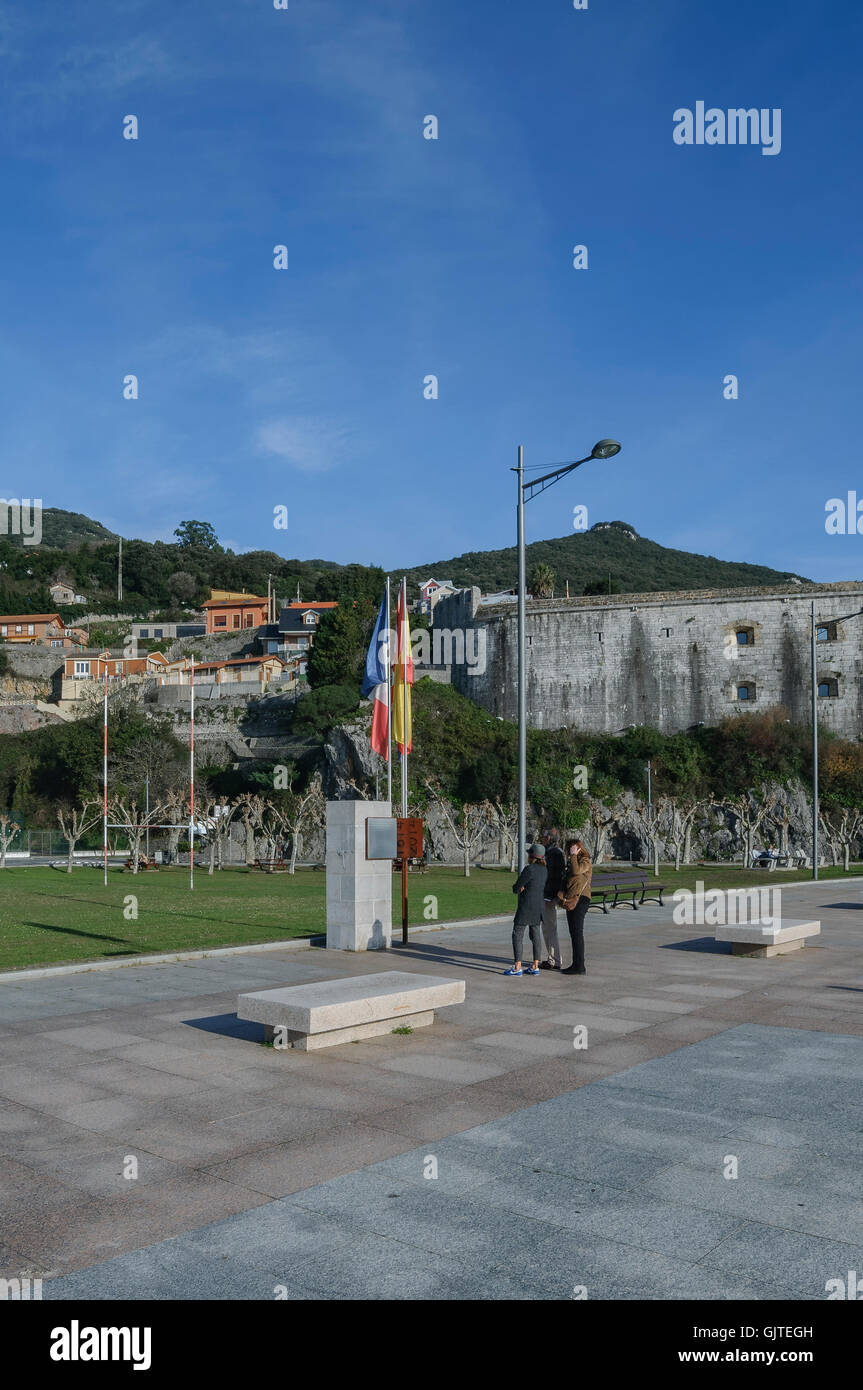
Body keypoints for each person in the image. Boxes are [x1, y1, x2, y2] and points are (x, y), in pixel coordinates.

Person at [507, 844, 547, 976]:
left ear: (532, 856)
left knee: (517, 934)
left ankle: (517, 966)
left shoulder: (529, 869)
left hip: (526, 906)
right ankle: (535, 965)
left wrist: (521, 888)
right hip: (539, 906)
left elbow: (516, 887)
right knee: (535, 935)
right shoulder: (544, 870)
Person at [558, 837, 592, 975]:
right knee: (574, 933)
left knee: (577, 932)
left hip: (581, 899)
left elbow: (577, 871)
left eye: (571, 849)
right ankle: (576, 964)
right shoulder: (574, 860)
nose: (569, 851)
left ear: (578, 848)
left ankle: (579, 966)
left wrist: (573, 855)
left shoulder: (585, 860)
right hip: (572, 899)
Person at [540, 829, 566, 970]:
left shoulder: (553, 853)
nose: (542, 839)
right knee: (547, 928)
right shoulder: (553, 852)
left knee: (550, 927)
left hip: (549, 896)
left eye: (543, 837)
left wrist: (549, 897)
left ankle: (555, 960)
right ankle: (551, 958)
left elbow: (553, 878)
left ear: (549, 838)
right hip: (549, 895)